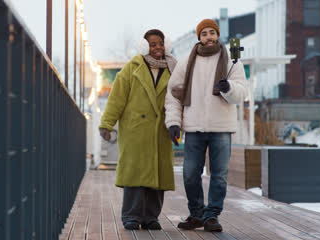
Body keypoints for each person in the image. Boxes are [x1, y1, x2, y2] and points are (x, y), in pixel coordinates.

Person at [165, 19, 248, 232]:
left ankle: (212, 216)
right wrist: (174, 122)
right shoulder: (186, 62)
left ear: (217, 35)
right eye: (204, 34)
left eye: (212, 33)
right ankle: (196, 213)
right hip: (193, 127)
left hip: (221, 128)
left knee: (219, 176)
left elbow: (241, 94)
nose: (208, 37)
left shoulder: (231, 61)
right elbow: (173, 93)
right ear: (199, 37)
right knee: (190, 173)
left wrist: (228, 88)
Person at [99, 29, 177, 230]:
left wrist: (179, 123)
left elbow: (179, 100)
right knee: (135, 175)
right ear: (144, 47)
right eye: (152, 44)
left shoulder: (173, 69)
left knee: (157, 175)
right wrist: (106, 124)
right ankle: (131, 216)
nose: (157, 47)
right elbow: (116, 99)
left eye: (160, 43)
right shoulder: (131, 69)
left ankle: (151, 217)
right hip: (136, 130)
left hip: (161, 130)